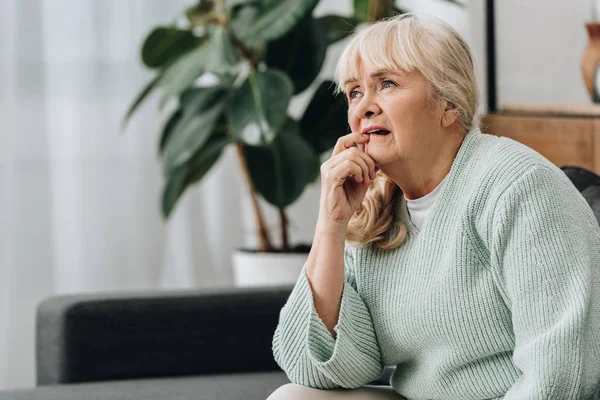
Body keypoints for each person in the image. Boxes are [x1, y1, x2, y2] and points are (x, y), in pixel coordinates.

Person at [267, 13, 600, 400]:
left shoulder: (519, 187)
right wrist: (331, 223)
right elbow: (318, 368)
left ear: (448, 104)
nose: (364, 108)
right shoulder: (375, 206)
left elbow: (560, 375)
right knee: (293, 397)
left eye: (386, 84)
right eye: (355, 92)